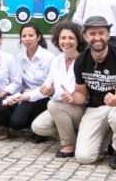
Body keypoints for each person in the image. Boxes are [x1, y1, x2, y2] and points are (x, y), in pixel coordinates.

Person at [71, 16, 116, 168]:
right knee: (84, 157)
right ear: (85, 36)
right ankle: (108, 137)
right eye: (92, 33)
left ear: (108, 35)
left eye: (101, 33)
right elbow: (81, 94)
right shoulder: (81, 60)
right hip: (95, 107)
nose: (97, 38)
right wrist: (70, 98)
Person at [30, 21, 88, 157]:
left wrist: (55, 94)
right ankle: (77, 138)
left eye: (71, 38)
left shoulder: (85, 60)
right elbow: (46, 86)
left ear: (78, 40)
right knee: (38, 127)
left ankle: (68, 144)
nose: (66, 41)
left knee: (53, 104)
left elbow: (81, 96)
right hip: (61, 107)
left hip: (80, 108)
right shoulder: (57, 60)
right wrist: (23, 96)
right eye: (63, 38)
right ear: (57, 40)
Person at [0, 24, 55, 139]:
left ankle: (38, 128)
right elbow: (18, 82)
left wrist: (33, 91)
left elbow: (51, 84)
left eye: (31, 35)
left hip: (43, 97)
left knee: (19, 121)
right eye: (24, 36)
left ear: (38, 37)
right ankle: (6, 126)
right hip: (24, 96)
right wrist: (10, 97)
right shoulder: (19, 58)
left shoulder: (49, 57)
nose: (27, 38)